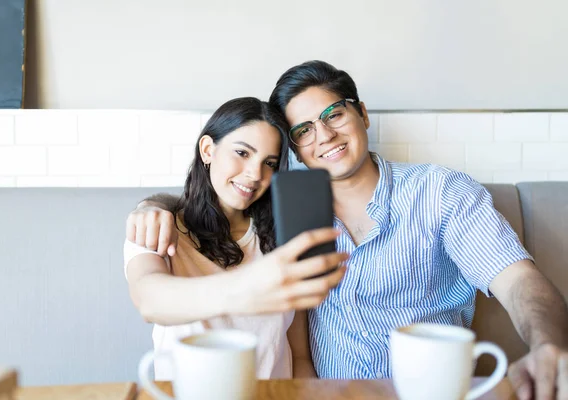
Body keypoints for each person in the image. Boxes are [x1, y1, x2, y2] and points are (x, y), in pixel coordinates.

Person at [128, 63, 568, 399]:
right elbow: (217, 205)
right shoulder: (282, 219)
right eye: (303, 130)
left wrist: (549, 343)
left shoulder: (441, 193)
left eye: (333, 114)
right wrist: (155, 205)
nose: (324, 136)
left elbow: (519, 280)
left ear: (362, 114)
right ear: (296, 149)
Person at [124, 97, 347, 381]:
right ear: (207, 150)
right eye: (242, 153)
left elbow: (299, 355)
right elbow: (150, 301)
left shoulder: (282, 237)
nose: (255, 174)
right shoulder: (156, 225)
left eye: (269, 163)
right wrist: (249, 288)